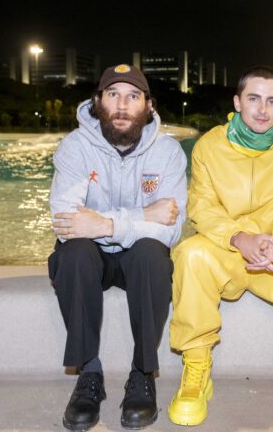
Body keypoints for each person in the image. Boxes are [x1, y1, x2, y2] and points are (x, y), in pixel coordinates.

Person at [167, 66, 273, 431]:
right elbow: (201, 206)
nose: (262, 109)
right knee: (190, 253)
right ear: (237, 102)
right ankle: (197, 368)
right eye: (254, 99)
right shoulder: (209, 147)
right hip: (228, 252)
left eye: (272, 101)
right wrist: (238, 238)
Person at [48, 64, 187, 431]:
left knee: (150, 254)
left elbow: (168, 231)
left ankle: (142, 374)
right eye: (113, 95)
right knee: (74, 252)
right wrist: (142, 215)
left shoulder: (168, 153)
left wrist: (105, 224)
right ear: (97, 102)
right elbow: (66, 223)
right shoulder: (75, 147)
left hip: (137, 262)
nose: (122, 105)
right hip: (90, 257)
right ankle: (88, 373)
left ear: (149, 106)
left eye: (132, 96)